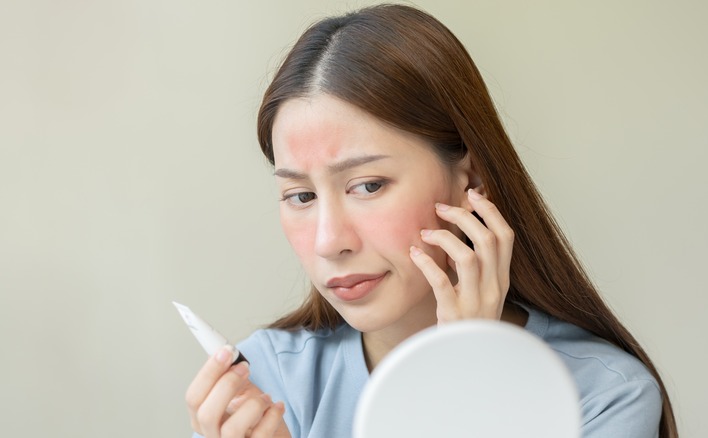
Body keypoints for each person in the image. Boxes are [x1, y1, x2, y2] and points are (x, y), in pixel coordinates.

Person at [184, 4, 678, 438]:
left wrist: (465, 376)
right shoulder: (266, 384)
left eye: (369, 185)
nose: (329, 241)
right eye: (300, 195)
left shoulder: (604, 396)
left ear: (472, 180)